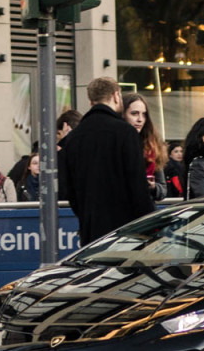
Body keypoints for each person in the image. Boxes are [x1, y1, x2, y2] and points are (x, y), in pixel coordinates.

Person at [58, 77, 153, 244]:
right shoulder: (126, 133)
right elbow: (137, 186)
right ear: (116, 96)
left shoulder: (73, 138)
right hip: (126, 231)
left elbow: (69, 189)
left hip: (91, 231)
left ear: (90, 101)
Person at [121, 92, 168, 201]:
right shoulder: (114, 143)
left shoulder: (152, 145)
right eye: (134, 113)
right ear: (123, 114)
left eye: (144, 114)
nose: (140, 119)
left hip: (145, 208)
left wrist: (153, 187)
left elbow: (163, 190)